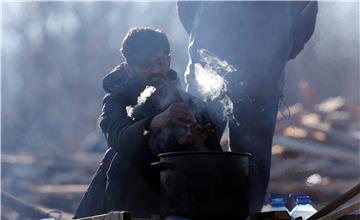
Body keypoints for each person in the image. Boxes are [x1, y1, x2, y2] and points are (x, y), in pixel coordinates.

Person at [177, 1, 318, 213]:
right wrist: (206, 37)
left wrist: (279, 49)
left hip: (260, 82)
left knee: (252, 163)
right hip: (207, 73)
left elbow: (306, 12)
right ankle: (196, 215)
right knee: (196, 151)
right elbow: (187, 7)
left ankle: (247, 215)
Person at [74, 27, 221, 218]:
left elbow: (214, 153)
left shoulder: (192, 103)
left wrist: (197, 137)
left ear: (169, 61)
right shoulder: (117, 101)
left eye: (160, 62)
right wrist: (155, 122)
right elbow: (120, 138)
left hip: (182, 197)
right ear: (129, 68)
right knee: (122, 161)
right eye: (146, 65)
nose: (156, 71)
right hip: (132, 194)